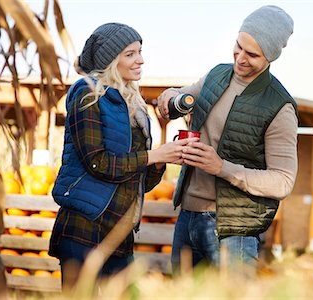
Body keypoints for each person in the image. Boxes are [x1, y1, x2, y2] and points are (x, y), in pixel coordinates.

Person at [49, 22, 195, 288]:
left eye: (140, 51)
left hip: (120, 233)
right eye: (130, 54)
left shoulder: (135, 107)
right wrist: (153, 155)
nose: (140, 60)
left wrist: (163, 159)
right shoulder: (87, 93)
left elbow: (140, 182)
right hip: (85, 228)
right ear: (110, 61)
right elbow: (97, 162)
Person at [157, 5, 298, 273]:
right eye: (238, 46)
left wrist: (222, 168)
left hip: (234, 231)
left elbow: (283, 181)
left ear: (271, 57)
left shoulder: (279, 106)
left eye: (252, 54)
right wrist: (170, 96)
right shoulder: (216, 76)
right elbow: (181, 97)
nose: (241, 58)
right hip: (187, 218)